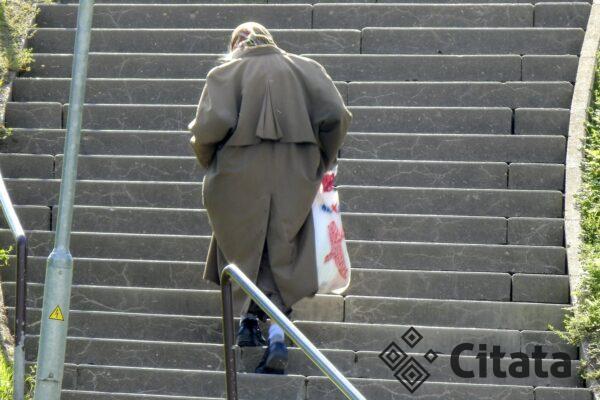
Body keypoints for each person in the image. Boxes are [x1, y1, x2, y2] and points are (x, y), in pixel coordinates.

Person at [188, 22, 352, 374]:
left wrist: (211, 162)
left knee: (242, 244)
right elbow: (337, 116)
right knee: (283, 245)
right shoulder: (307, 69)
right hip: (296, 172)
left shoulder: (225, 73)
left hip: (237, 174)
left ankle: (250, 322)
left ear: (235, 45)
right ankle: (275, 330)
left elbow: (205, 131)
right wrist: (322, 157)